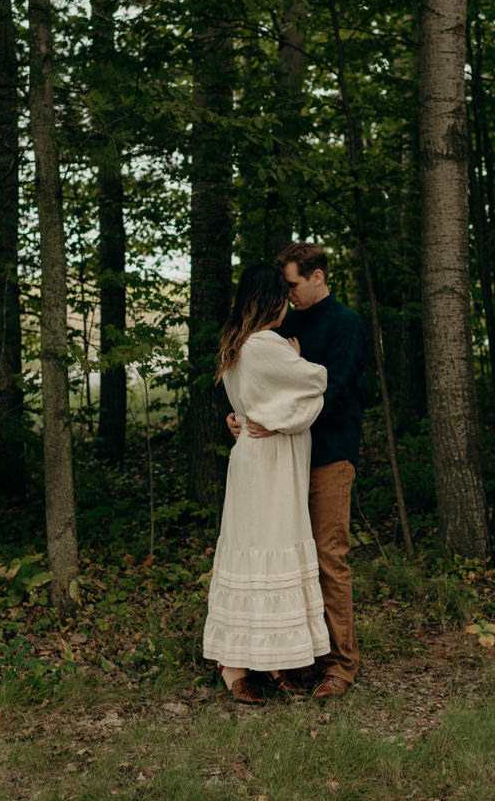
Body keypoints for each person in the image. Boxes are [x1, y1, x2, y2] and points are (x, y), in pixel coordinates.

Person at [228, 242, 367, 699]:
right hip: (280, 463)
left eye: (292, 285)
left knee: (328, 557)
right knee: (289, 559)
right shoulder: (280, 323)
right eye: (282, 289)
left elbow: (336, 389)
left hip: (327, 455)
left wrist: (278, 418)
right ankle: (292, 657)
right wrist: (244, 415)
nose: (287, 296)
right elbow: (261, 379)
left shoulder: (345, 323)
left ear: (318, 277)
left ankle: (340, 666)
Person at [202, 264, 331, 705]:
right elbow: (316, 380)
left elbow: (259, 399)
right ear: (270, 300)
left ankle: (265, 659)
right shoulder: (265, 345)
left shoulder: (238, 344)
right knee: (267, 547)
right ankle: (236, 665)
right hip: (270, 462)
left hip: (258, 458)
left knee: (256, 549)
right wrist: (295, 355)